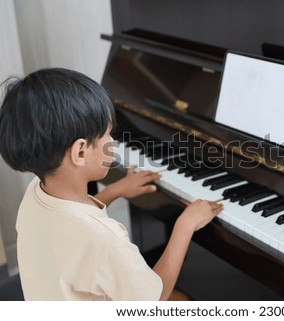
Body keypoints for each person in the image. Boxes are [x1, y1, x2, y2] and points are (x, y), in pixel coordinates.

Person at [0, 68, 223, 300]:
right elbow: (155, 299)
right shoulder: (105, 239)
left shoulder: (35, 192)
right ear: (80, 151)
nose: (113, 142)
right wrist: (185, 224)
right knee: (182, 300)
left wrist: (116, 190)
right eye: (108, 135)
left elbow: (72, 227)